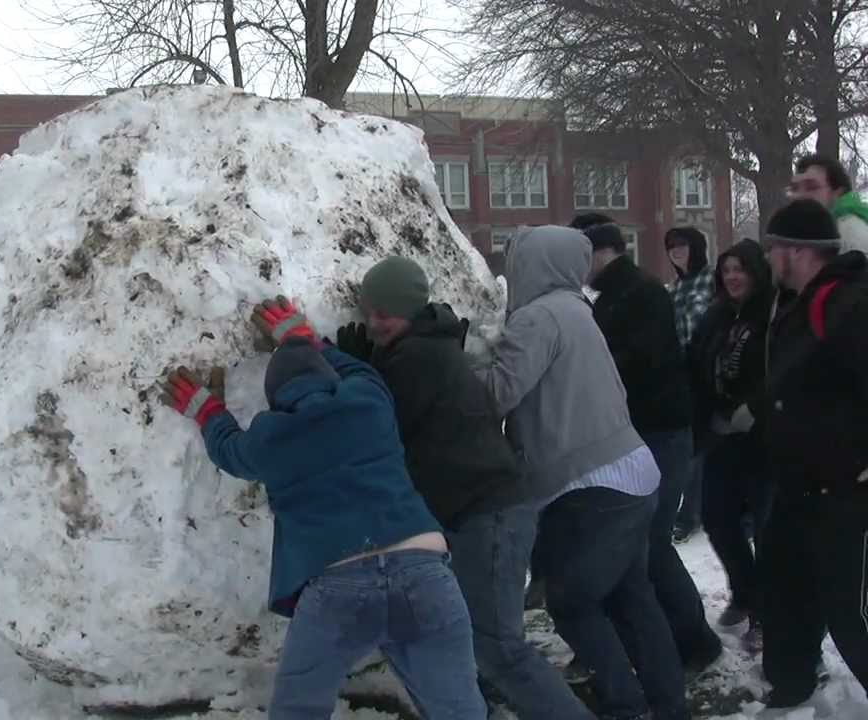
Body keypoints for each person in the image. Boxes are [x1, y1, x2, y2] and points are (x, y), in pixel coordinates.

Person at [160, 298, 485, 720]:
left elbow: (229, 451)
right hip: (424, 572)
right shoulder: (368, 402)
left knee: (299, 710)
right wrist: (308, 340)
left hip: (339, 588)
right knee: (459, 711)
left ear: (275, 398)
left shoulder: (271, 437)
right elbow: (362, 372)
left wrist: (208, 411)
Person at [336, 257, 592, 720]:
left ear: (410, 311)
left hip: (487, 514)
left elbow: (377, 427)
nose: (373, 323)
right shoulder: (424, 346)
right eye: (369, 311)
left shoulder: (417, 357)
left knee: (499, 647)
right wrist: (370, 368)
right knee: (464, 635)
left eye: (384, 314)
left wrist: (355, 375)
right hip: (475, 513)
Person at [474, 225, 689, 720]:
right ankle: (669, 705)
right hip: (630, 472)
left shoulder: (538, 317)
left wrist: (460, 365)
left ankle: (624, 706)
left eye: (517, 260)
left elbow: (496, 394)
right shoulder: (576, 310)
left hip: (591, 483)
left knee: (572, 602)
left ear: (535, 265)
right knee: (631, 596)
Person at [577, 214, 723, 673]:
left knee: (651, 542)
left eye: (584, 256)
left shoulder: (640, 293)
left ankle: (696, 641)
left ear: (603, 252)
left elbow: (642, 363)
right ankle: (657, 636)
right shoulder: (614, 296)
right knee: (637, 544)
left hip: (661, 434)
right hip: (642, 433)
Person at [760, 199, 868, 709]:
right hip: (798, 486)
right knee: (785, 586)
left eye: (774, 248)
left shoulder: (846, 304)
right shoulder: (799, 304)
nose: (769, 257)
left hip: (843, 491)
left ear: (798, 251)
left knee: (849, 614)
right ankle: (792, 681)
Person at [687, 239, 775, 654]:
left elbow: (780, 369)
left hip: (763, 438)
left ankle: (767, 614)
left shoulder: (771, 314)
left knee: (766, 526)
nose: (733, 277)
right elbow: (697, 361)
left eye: (740, 269)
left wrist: (755, 406)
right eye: (727, 271)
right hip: (720, 434)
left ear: (756, 272)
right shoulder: (716, 315)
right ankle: (745, 591)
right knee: (717, 519)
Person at [666, 226, 716, 541]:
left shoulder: (712, 279)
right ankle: (689, 511)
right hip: (682, 372)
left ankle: (691, 513)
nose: (676, 251)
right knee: (692, 446)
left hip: (708, 369)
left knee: (700, 447)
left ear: (696, 247)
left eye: (682, 245)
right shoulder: (674, 288)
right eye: (671, 247)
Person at [789, 153, 868, 254]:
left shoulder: (849, 233)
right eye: (795, 189)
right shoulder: (813, 233)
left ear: (837, 193)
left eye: (811, 187)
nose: (800, 195)